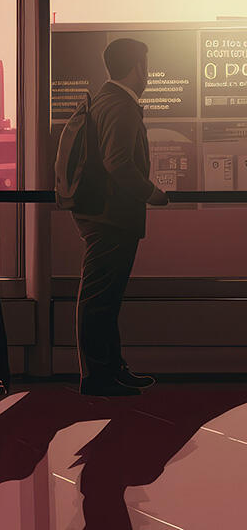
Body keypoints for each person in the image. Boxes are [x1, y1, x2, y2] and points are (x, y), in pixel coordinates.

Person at [73, 37, 169, 397]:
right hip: (111, 216)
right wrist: (151, 193)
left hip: (105, 213)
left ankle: (111, 368)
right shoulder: (121, 106)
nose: (148, 73)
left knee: (106, 297)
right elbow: (118, 163)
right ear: (137, 68)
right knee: (100, 298)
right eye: (146, 65)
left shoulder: (106, 100)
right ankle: (98, 375)